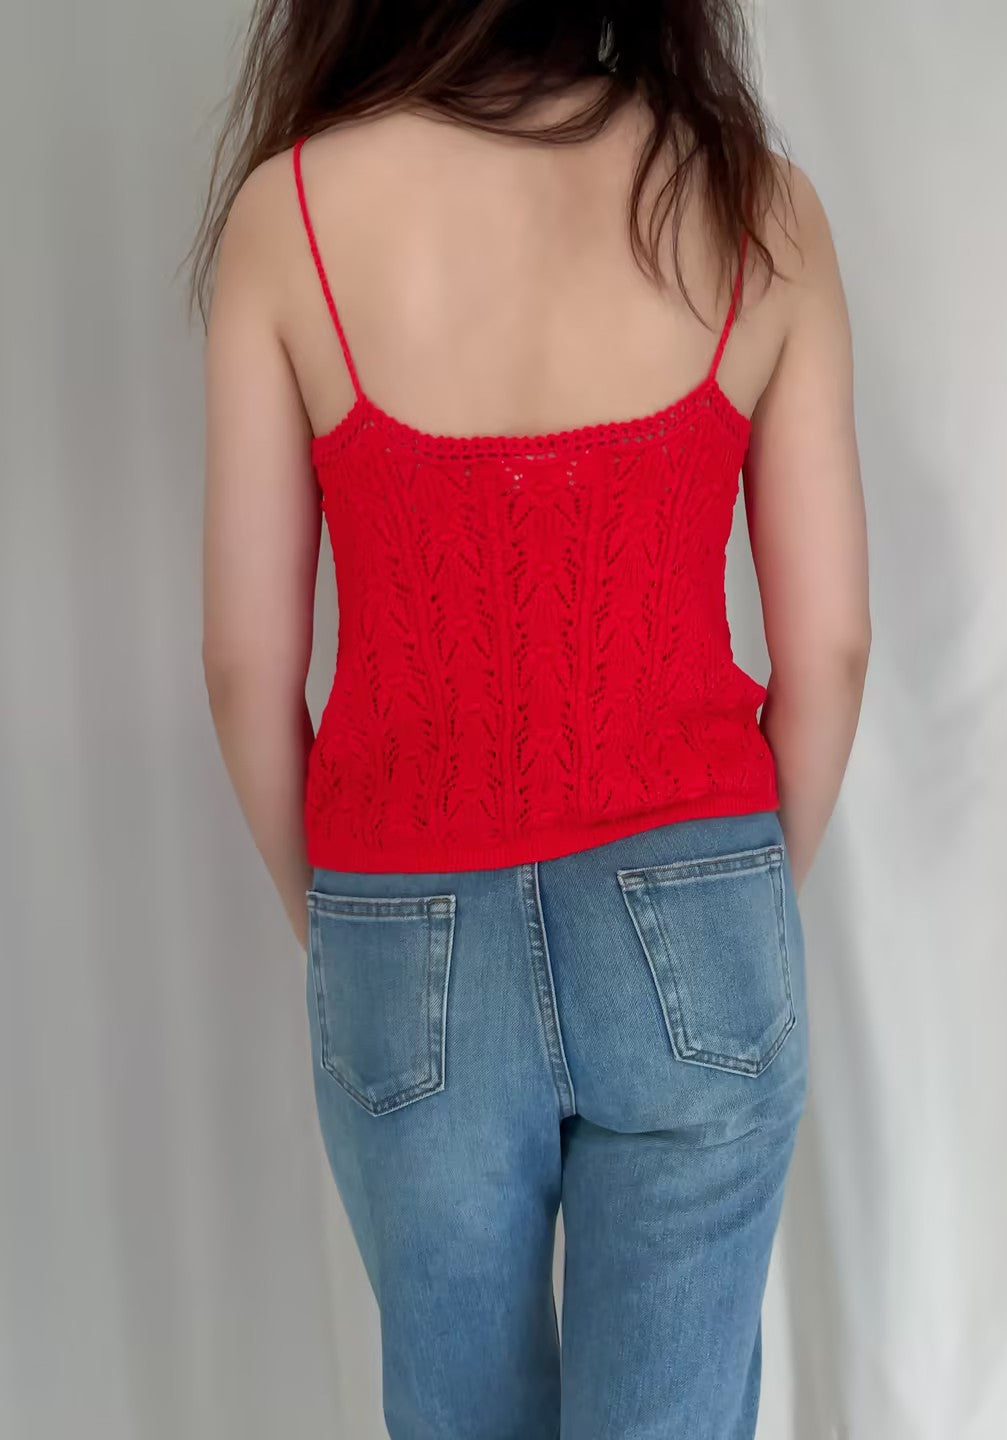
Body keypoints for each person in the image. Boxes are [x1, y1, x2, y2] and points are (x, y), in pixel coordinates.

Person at [193, 2, 869, 1435]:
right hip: (701, 902)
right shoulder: (756, 204)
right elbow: (833, 648)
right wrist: (735, 894)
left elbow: (249, 666)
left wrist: (346, 924)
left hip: (401, 922)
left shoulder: (290, 214)